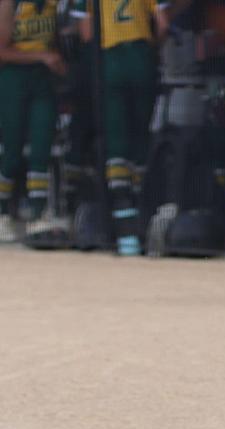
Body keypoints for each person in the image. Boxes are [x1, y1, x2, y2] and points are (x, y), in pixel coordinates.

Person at [73, 0, 169, 255]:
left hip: (109, 57)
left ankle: (122, 217)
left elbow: (86, 33)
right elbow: (163, 24)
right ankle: (139, 211)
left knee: (115, 137)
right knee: (140, 136)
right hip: (140, 55)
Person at [0, 0, 67, 242]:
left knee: (42, 146)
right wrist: (41, 56)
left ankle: (38, 214)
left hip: (43, 80)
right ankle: (3, 214)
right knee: (12, 150)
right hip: (13, 79)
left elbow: (56, 41)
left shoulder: (53, 4)